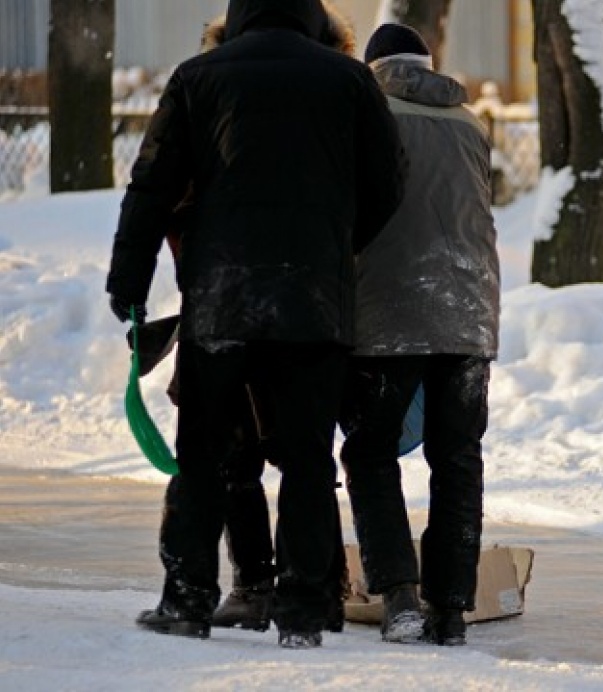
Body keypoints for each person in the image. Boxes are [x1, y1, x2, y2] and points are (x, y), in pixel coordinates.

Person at [105, 0, 404, 649]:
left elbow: (152, 186)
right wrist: (335, 240)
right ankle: (301, 612)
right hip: (314, 301)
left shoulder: (200, 76)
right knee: (304, 461)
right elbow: (389, 183)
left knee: (204, 455)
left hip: (223, 297)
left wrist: (127, 279)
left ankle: (187, 599)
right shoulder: (347, 79)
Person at [337, 24, 500, 647]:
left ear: (373, 67)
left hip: (390, 311)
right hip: (469, 312)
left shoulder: (366, 113)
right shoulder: (470, 121)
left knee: (370, 452)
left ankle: (400, 596)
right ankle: (451, 611)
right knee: (457, 459)